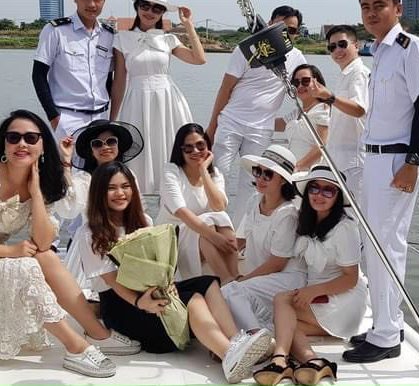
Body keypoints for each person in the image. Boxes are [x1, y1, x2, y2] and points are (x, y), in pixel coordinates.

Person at [79, 161, 272, 383]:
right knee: (193, 299)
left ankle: (236, 341)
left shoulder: (143, 221)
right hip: (123, 305)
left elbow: (158, 262)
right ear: (99, 193)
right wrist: (141, 302)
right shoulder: (91, 233)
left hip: (152, 290)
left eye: (125, 186)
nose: (120, 193)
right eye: (111, 188)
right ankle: (229, 354)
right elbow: (112, 280)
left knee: (207, 282)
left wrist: (167, 283)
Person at [342, 0, 419, 363]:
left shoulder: (411, 48)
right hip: (375, 159)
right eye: (365, 7)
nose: (371, 13)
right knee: (374, 246)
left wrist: (413, 162)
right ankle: (386, 325)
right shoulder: (379, 51)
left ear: (397, 8)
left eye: (379, 5)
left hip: (398, 160)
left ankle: (386, 336)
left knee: (387, 247)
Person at [0, 110, 141, 359]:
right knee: (24, 266)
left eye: (31, 138)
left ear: (43, 145)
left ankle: (96, 332)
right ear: (4, 143)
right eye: (14, 137)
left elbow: (43, 242)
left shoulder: (39, 182)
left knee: (45, 255)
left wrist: (35, 192)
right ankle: (76, 347)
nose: (22, 144)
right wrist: (10, 250)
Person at [253, 165, 367, 386]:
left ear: (338, 196)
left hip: (343, 298)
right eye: (314, 188)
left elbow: (351, 278)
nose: (319, 195)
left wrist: (313, 291)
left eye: (328, 190)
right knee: (281, 326)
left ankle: (279, 359)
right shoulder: (307, 220)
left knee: (282, 301)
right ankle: (313, 362)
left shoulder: (345, 228)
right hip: (321, 297)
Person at [206, 5, 306, 227]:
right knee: (218, 175)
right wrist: (212, 128)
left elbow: (305, 96)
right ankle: (212, 228)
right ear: (269, 24)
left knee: (252, 184)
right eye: (281, 28)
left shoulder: (297, 58)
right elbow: (225, 88)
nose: (285, 34)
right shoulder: (247, 49)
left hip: (261, 130)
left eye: (291, 31)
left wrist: (286, 122)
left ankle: (239, 235)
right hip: (231, 122)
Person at [110, 0, 207, 194]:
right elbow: (119, 82)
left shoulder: (168, 39)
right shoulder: (121, 39)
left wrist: (188, 25)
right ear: (137, 7)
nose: (150, 12)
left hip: (167, 100)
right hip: (137, 100)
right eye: (145, 6)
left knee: (170, 147)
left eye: (157, 8)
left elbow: (199, 59)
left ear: (163, 13)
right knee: (137, 152)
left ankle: (175, 198)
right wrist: (112, 119)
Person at [221, 144, 305, 332]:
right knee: (224, 292)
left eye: (268, 174)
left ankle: (255, 335)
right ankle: (247, 335)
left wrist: (243, 280)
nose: (260, 178)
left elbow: (277, 263)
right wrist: (231, 273)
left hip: (287, 278)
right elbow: (239, 242)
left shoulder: (288, 214)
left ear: (283, 180)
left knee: (232, 291)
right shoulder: (254, 200)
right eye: (257, 171)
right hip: (261, 276)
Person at [32, 0, 114, 141]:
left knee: (101, 159)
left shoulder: (109, 35)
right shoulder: (55, 31)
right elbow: (38, 75)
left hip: (101, 117)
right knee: (65, 159)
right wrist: (53, 117)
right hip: (67, 118)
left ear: (104, 0)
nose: (92, 4)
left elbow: (108, 78)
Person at [62, 119, 143, 285]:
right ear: (91, 150)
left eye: (111, 141)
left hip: (128, 242)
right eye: (97, 143)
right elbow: (68, 208)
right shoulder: (84, 180)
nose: (105, 147)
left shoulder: (129, 175)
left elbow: (138, 211)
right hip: (93, 244)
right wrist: (66, 162)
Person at [156, 123, 236, 283]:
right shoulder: (171, 171)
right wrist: (214, 236)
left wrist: (203, 171)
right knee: (208, 224)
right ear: (180, 150)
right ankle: (227, 279)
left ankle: (235, 276)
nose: (196, 151)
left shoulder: (215, 174)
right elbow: (181, 212)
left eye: (200, 145)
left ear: (208, 147)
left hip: (202, 237)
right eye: (188, 148)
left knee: (219, 217)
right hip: (172, 239)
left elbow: (219, 206)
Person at [308, 24, 369, 202]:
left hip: (353, 162)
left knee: (353, 212)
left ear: (356, 45)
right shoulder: (345, 74)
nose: (337, 50)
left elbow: (359, 109)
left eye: (342, 44)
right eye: (332, 47)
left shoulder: (359, 73)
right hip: (339, 159)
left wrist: (330, 97)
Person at [274, 64, 330, 171]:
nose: (300, 86)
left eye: (305, 81)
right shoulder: (297, 113)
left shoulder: (323, 110)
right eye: (295, 82)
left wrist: (297, 167)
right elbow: (275, 124)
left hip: (310, 172)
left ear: (317, 82)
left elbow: (322, 144)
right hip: (293, 171)